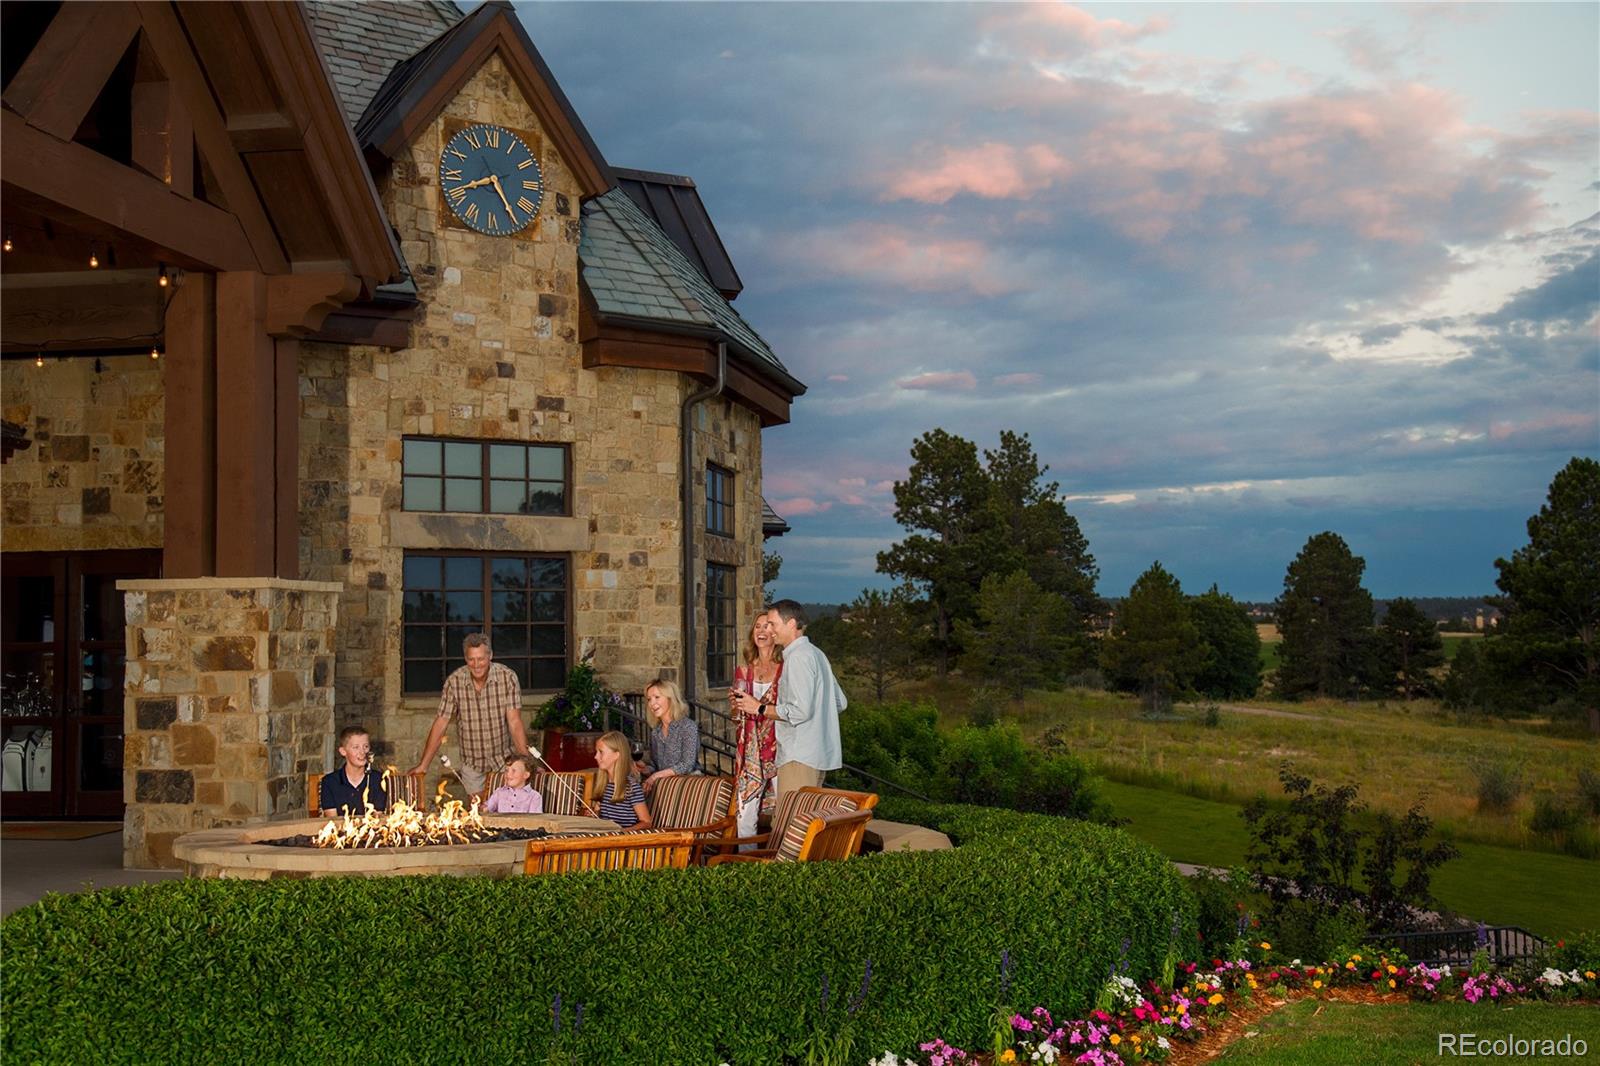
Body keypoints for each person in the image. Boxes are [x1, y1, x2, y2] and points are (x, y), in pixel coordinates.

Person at [731, 600, 845, 800]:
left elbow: (799, 711)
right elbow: (840, 702)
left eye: (773, 624)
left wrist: (759, 708)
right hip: (818, 756)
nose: (770, 630)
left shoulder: (797, 658)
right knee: (806, 815)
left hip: (798, 757)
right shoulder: (817, 654)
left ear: (791, 624)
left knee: (790, 815)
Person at [409, 633, 530, 798]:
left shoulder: (507, 677)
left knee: (506, 808)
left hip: (503, 761)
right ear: (465, 658)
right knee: (478, 810)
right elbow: (441, 724)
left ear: (490, 656)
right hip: (472, 764)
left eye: (481, 659)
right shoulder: (454, 682)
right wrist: (424, 765)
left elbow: (515, 723)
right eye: (471, 659)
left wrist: (526, 762)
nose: (476, 665)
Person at [730, 615, 782, 839]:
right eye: (757, 627)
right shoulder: (743, 672)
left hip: (779, 748)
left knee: (784, 811)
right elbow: (736, 717)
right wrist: (735, 708)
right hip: (749, 750)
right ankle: (747, 857)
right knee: (745, 815)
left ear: (775, 633)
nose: (761, 631)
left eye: (767, 626)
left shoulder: (785, 670)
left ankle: (779, 857)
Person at [638, 677, 701, 794]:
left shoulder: (688, 726)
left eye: (657, 697)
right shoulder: (656, 732)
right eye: (649, 699)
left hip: (688, 788)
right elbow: (655, 765)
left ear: (670, 698)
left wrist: (655, 776)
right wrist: (646, 769)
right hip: (666, 788)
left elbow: (687, 765)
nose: (652, 703)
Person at [320, 725, 388, 817]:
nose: (362, 752)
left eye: (366, 746)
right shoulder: (330, 782)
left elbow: (377, 818)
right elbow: (333, 820)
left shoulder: (379, 780)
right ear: (343, 751)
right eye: (356, 747)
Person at [594, 730, 652, 829]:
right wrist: (594, 814)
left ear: (617, 755)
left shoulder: (632, 788)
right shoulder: (603, 785)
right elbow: (601, 818)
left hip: (623, 837)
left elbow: (647, 822)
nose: (595, 756)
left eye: (601, 752)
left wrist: (624, 832)